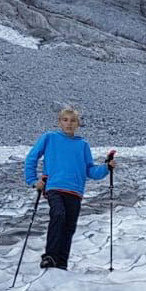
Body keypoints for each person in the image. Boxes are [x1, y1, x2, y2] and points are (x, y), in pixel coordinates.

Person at [22, 106, 114, 270]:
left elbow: (90, 170)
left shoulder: (83, 145)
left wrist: (107, 167)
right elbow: (32, 157)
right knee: (58, 214)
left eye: (73, 121)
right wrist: (32, 180)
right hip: (55, 187)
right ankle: (50, 256)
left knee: (69, 227)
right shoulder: (50, 137)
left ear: (78, 124)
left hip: (75, 192)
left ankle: (61, 264)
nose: (69, 124)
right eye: (65, 120)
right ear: (59, 122)